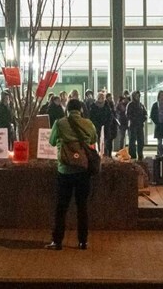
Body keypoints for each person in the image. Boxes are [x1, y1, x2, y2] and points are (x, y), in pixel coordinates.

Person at [46, 99, 97, 251]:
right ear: (81, 110)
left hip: (65, 170)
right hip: (83, 171)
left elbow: (52, 141)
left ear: (67, 110)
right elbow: (93, 139)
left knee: (61, 207)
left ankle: (57, 241)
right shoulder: (88, 123)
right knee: (82, 207)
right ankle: (83, 242)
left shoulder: (59, 123)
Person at [89, 92, 114, 156]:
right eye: (100, 97)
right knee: (97, 140)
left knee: (106, 141)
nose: (102, 99)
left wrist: (108, 123)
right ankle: (98, 154)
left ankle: (106, 154)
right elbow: (91, 117)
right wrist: (96, 124)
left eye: (103, 98)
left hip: (106, 127)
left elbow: (110, 116)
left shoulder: (107, 106)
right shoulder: (93, 106)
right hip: (97, 127)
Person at [126, 91, 147, 161]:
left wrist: (143, 119)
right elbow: (128, 114)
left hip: (140, 125)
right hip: (133, 125)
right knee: (132, 140)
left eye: (138, 96)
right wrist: (134, 119)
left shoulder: (141, 105)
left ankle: (140, 154)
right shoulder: (130, 105)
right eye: (136, 96)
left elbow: (145, 113)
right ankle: (132, 155)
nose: (137, 97)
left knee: (141, 140)